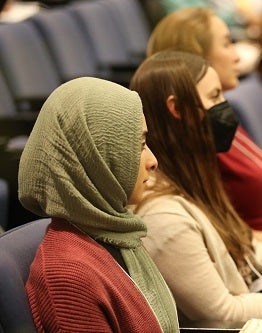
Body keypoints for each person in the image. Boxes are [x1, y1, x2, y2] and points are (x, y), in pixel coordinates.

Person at [18, 77, 179, 332]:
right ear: (94, 158)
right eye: (138, 146)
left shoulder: (117, 235)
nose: (153, 161)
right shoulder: (69, 278)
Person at [130, 50, 262, 324]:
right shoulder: (162, 216)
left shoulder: (194, 180)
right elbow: (223, 317)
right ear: (177, 109)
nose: (225, 106)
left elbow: (248, 249)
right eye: (214, 96)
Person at [145, 6, 262, 231]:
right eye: (227, 44)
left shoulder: (221, 118)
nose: (237, 56)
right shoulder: (201, 137)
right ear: (196, 58)